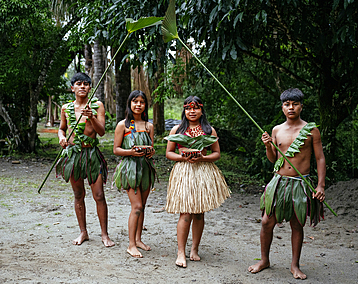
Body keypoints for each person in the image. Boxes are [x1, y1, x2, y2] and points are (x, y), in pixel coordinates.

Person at [248, 88, 326, 279]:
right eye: (287, 104)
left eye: (295, 104)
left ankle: (295, 265)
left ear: (301, 106)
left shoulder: (311, 130)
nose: (291, 108)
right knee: (267, 222)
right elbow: (273, 159)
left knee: (297, 224)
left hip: (300, 183)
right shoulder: (277, 130)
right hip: (279, 182)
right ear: (282, 107)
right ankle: (264, 260)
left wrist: (320, 185)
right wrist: (268, 145)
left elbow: (320, 158)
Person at [165, 96, 230, 268]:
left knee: (200, 212)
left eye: (196, 108)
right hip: (184, 172)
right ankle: (181, 251)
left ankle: (194, 249)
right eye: (188, 108)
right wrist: (183, 157)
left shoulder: (209, 130)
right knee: (185, 212)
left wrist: (203, 157)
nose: (192, 112)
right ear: (184, 111)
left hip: (203, 171)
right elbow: (169, 153)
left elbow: (216, 154)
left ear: (202, 110)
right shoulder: (177, 130)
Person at [56, 72, 114, 247]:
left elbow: (102, 131)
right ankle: (83, 232)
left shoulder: (97, 106)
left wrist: (91, 117)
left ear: (90, 87)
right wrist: (61, 137)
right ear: (72, 87)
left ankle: (104, 234)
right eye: (79, 84)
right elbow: (62, 129)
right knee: (78, 194)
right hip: (73, 155)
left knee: (99, 195)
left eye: (86, 84)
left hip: (91, 155)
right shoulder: (66, 108)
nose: (82, 86)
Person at [112, 90, 156, 258]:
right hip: (130, 169)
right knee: (136, 207)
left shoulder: (148, 126)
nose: (138, 105)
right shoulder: (122, 125)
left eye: (142, 102)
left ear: (145, 105)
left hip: (146, 168)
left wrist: (150, 152)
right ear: (129, 104)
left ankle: (138, 240)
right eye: (135, 101)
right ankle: (131, 245)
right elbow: (116, 150)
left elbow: (150, 147)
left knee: (142, 207)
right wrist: (131, 152)